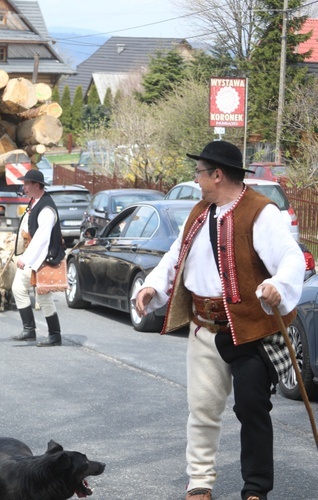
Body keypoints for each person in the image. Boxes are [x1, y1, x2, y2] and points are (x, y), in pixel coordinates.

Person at [133, 141, 305, 500]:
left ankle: (256, 488)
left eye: (199, 173)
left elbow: (291, 257)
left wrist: (277, 284)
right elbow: (175, 256)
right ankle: (199, 482)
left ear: (217, 174)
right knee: (202, 409)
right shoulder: (199, 211)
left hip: (252, 330)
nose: (195, 180)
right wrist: (152, 286)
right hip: (205, 327)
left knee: (252, 408)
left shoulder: (261, 212)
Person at [10, 169, 65, 347]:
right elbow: (28, 230)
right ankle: (29, 330)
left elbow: (42, 238)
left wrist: (25, 259)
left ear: (36, 185)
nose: (24, 187)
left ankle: (55, 336)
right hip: (33, 256)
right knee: (18, 288)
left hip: (43, 258)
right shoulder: (34, 202)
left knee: (43, 298)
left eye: (26, 184)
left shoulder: (47, 209)